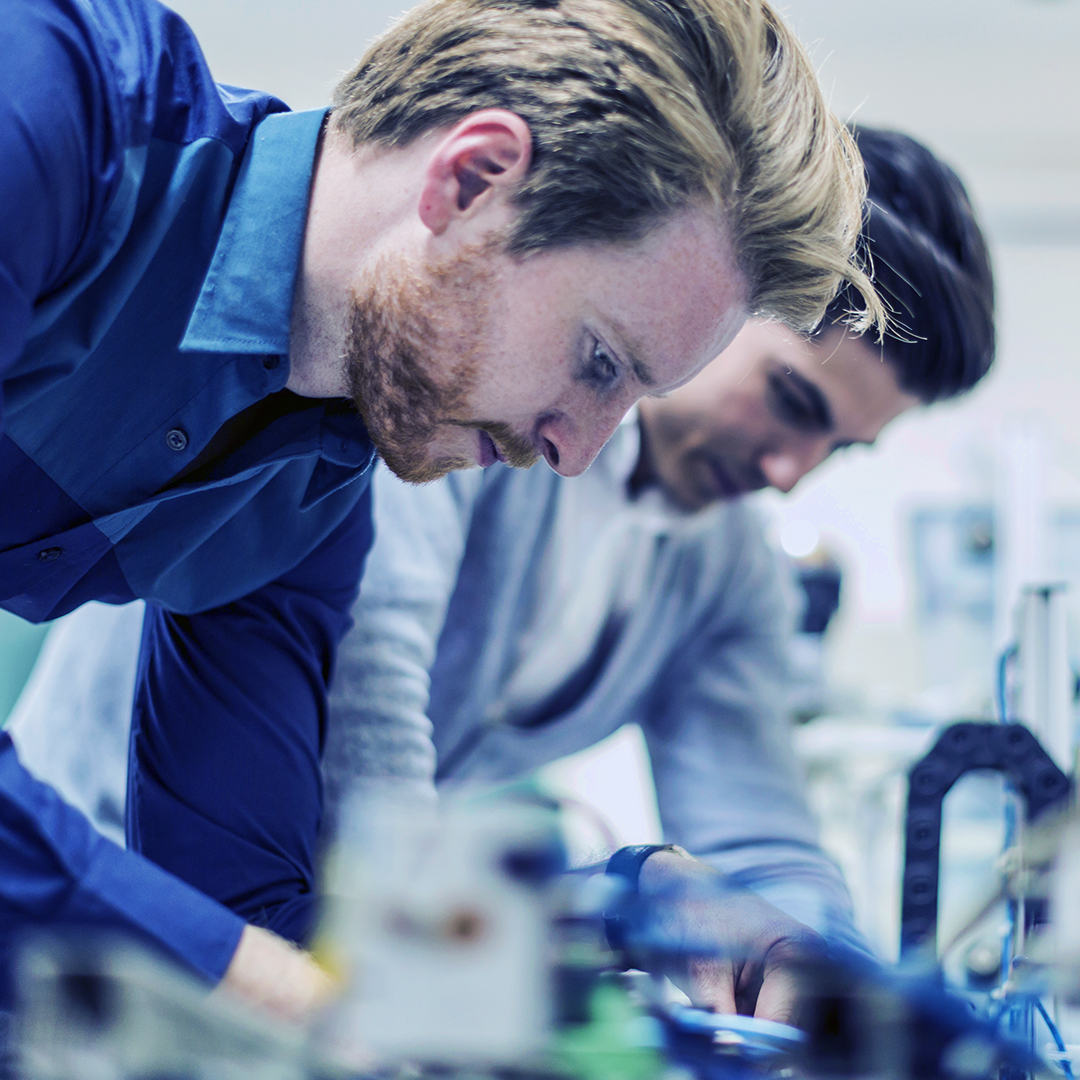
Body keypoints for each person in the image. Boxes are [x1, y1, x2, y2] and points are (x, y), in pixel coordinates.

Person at [0, 0, 880, 1019]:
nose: (577, 452)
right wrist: (255, 978)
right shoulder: (52, 107)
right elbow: (248, 970)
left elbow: (254, 912)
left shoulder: (309, 490)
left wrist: (631, 910)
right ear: (471, 181)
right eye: (598, 361)